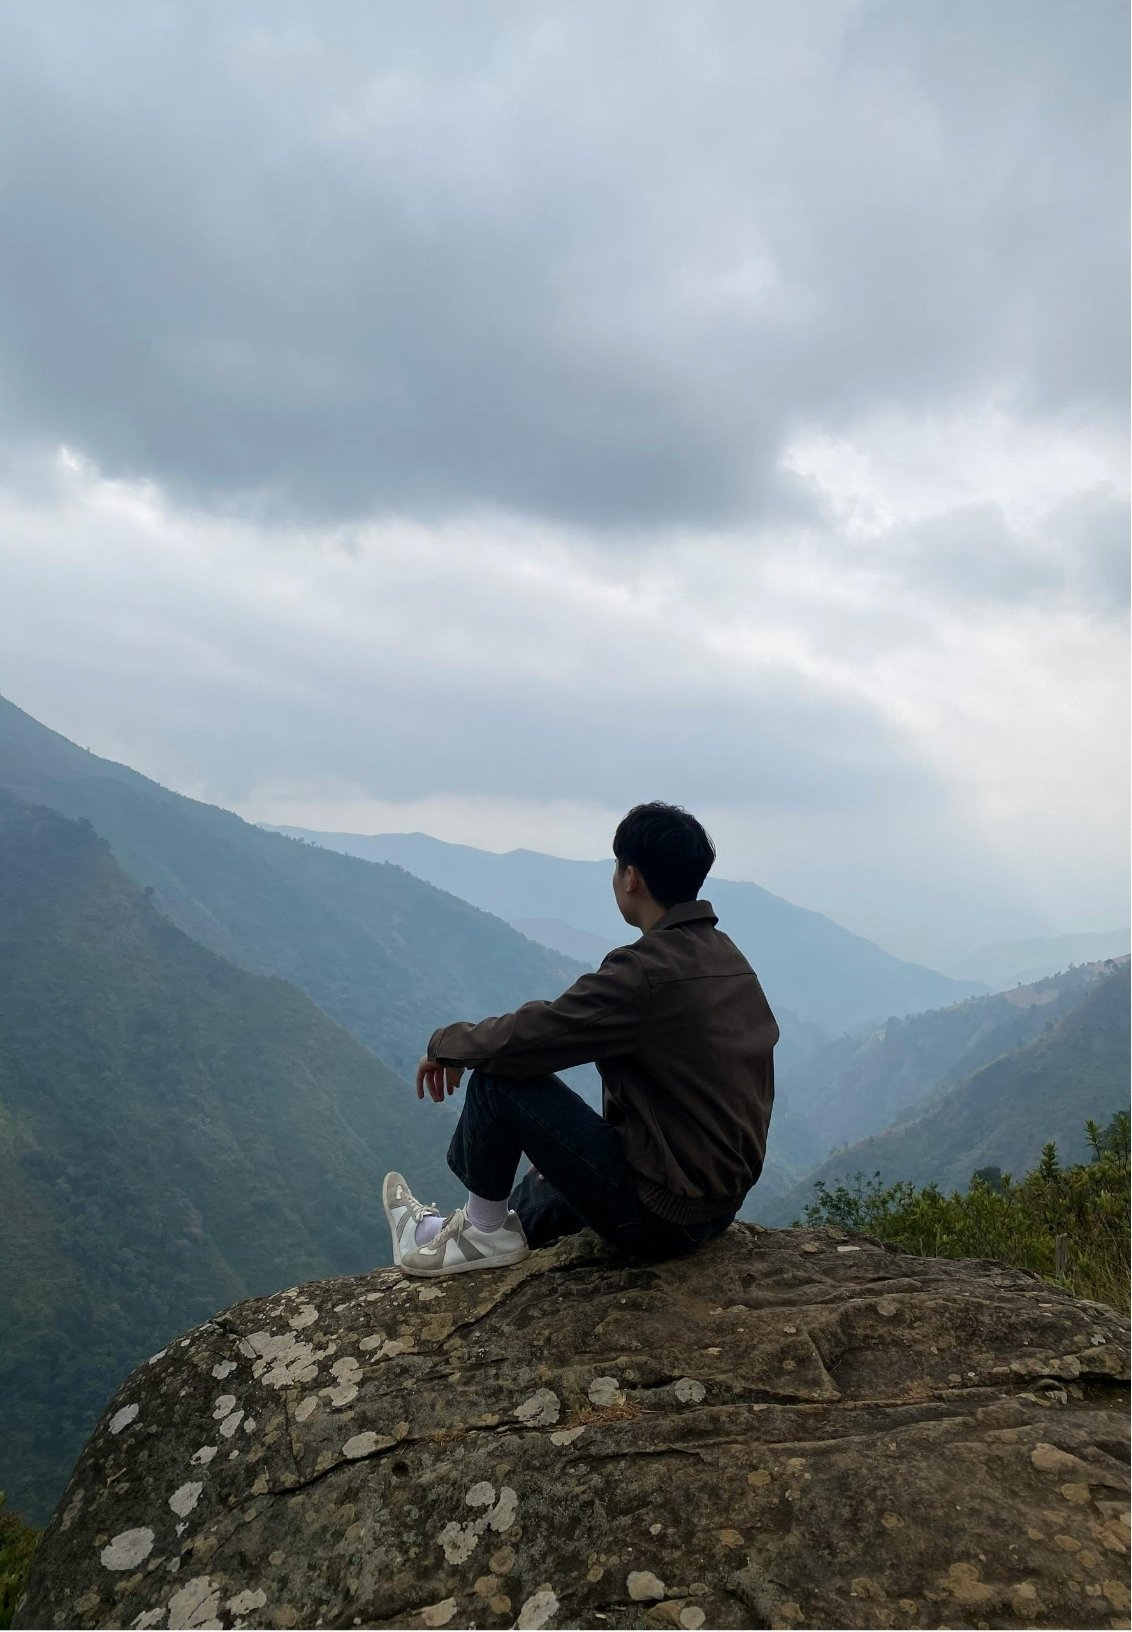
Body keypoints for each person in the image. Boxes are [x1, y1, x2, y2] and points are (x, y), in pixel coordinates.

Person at [383, 801, 778, 1278]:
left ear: (631, 878)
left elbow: (536, 1036)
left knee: (498, 1079)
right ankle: (446, 1232)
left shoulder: (647, 971)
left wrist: (446, 1043)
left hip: (660, 1215)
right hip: (711, 1206)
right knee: (542, 1188)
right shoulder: (727, 957)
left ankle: (479, 1236)